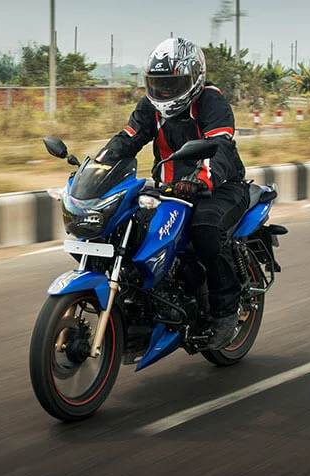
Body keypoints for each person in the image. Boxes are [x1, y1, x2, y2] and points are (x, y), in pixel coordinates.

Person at [95, 37, 250, 350]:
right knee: (125, 227)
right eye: (158, 84)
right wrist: (98, 167)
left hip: (219, 188)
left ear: (194, 79)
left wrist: (201, 178)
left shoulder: (211, 101)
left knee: (205, 229)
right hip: (169, 190)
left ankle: (225, 311)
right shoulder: (150, 107)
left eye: (171, 84)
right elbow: (127, 139)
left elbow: (219, 145)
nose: (163, 91)